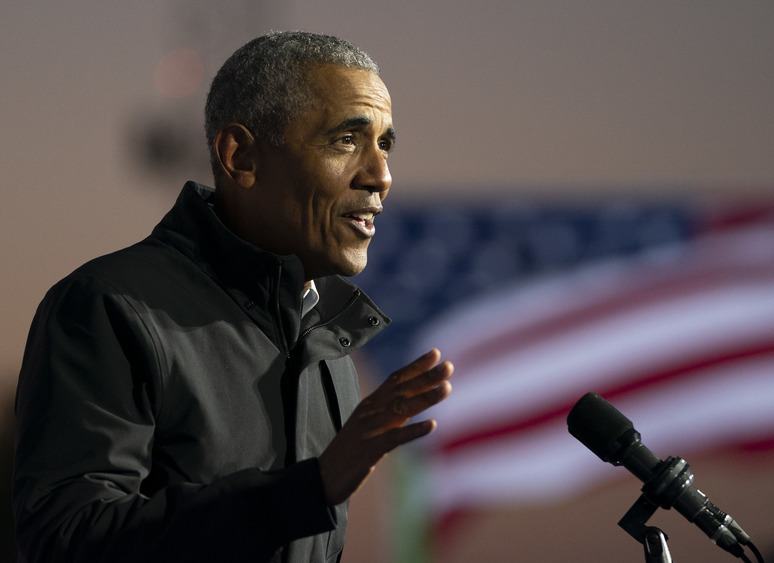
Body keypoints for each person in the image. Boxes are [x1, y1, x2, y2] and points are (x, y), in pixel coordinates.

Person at [12, 31, 453, 563]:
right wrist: (307, 490)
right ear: (240, 156)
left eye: (385, 144)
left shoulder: (328, 346)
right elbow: (68, 540)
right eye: (346, 140)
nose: (380, 175)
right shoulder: (108, 308)